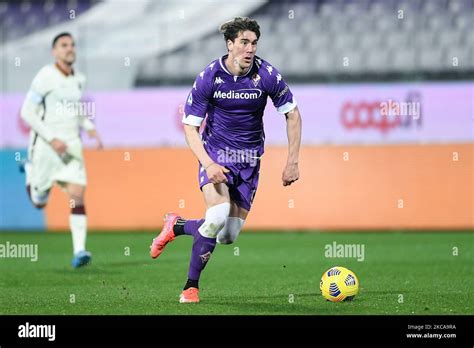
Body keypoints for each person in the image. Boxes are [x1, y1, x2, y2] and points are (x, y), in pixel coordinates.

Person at [150, 17, 302, 303]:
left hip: (249, 161)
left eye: (254, 43)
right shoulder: (210, 76)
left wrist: (292, 160)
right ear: (230, 44)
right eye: (244, 43)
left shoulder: (266, 74)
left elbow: (292, 113)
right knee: (216, 216)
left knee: (226, 236)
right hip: (217, 156)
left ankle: (177, 225)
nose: (250, 49)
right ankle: (190, 287)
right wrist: (208, 163)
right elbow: (190, 127)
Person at [20, 32, 103, 268]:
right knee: (39, 202)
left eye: (72, 45)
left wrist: (88, 126)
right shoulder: (45, 76)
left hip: (71, 146)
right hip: (46, 147)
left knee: (77, 195)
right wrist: (52, 138)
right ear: (54, 52)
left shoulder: (79, 78)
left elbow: (74, 108)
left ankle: (80, 251)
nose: (70, 49)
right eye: (64, 45)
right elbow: (27, 112)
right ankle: (29, 172)